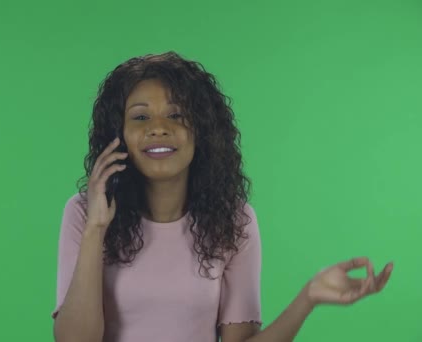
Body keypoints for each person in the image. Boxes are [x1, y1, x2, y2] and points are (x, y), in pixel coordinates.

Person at [51, 51, 394, 342]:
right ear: (119, 134)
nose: (158, 127)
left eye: (176, 114)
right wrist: (96, 228)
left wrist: (308, 297)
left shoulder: (233, 221)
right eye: (140, 116)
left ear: (202, 130)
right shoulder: (83, 213)